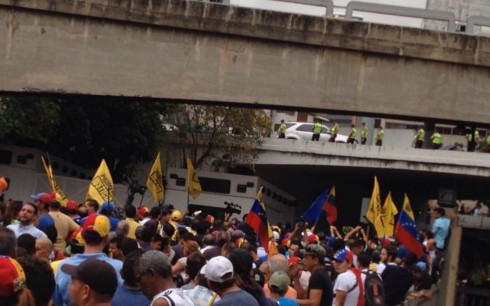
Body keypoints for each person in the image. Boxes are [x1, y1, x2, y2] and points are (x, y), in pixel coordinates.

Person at [53, 214, 123, 306]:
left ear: (82, 235)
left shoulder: (63, 267)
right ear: (106, 239)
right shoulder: (120, 267)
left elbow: (57, 302)